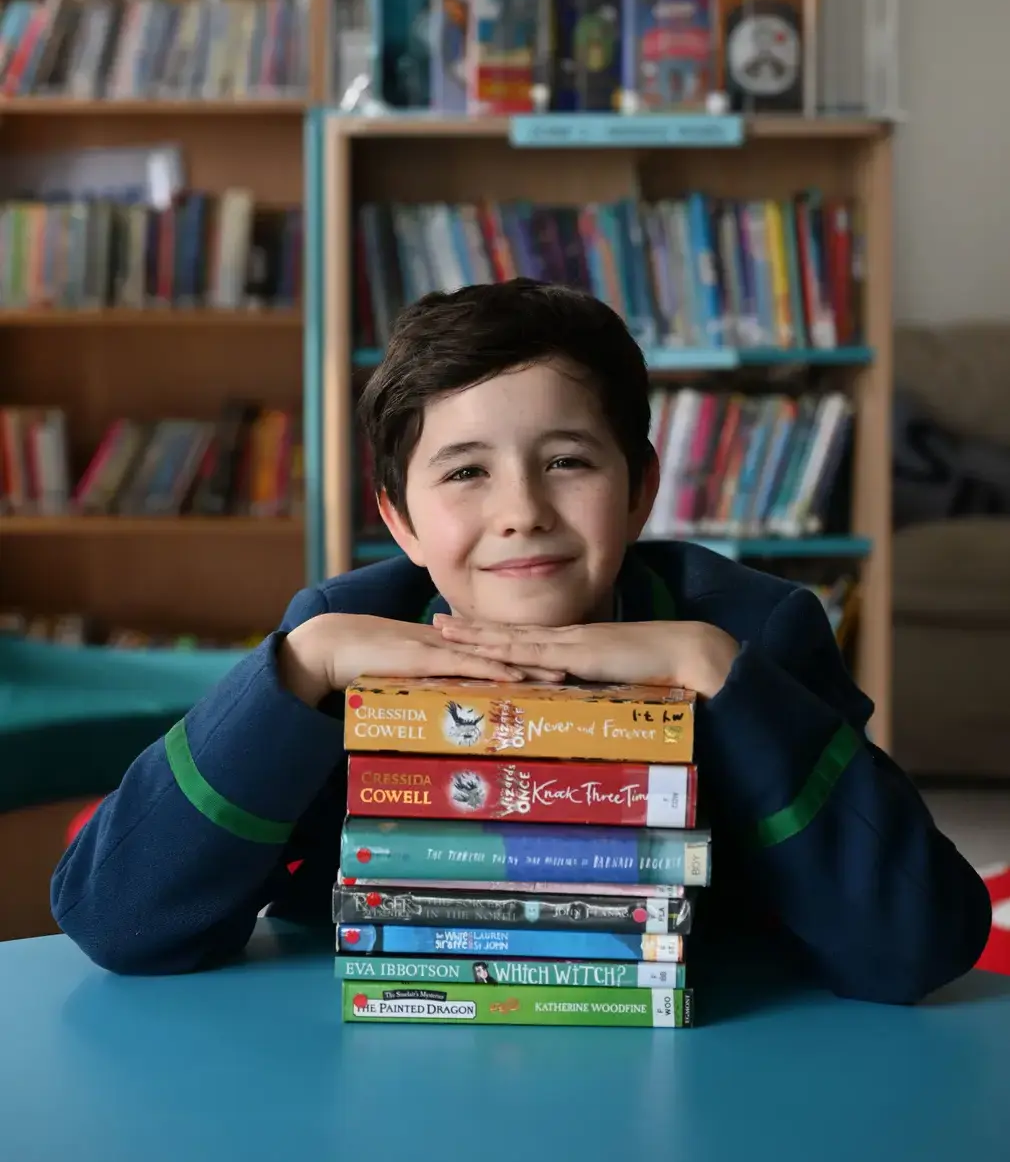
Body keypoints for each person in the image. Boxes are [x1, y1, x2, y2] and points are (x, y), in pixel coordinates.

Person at [52, 279, 992, 1002]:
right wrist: (300, 667)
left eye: (567, 462)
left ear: (638, 489)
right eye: (464, 471)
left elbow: (913, 946)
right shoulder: (339, 644)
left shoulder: (749, 633)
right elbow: (118, 920)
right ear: (401, 520)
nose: (522, 514)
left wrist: (709, 670)